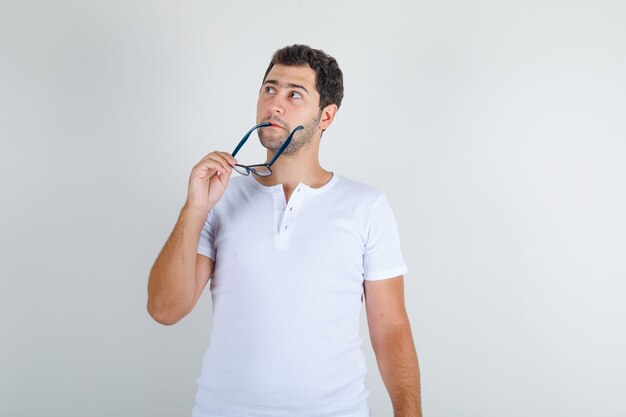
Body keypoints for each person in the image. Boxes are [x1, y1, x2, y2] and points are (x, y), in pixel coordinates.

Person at [147, 44, 422, 417]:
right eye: (269, 89)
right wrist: (195, 207)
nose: (275, 104)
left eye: (295, 94)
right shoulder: (220, 197)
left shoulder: (366, 206)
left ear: (326, 116)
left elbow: (391, 331)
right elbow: (165, 309)